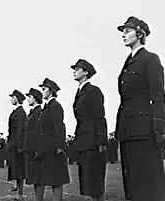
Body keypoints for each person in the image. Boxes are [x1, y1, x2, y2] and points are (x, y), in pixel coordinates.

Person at [115, 16, 165, 201]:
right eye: (123, 32)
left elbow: (158, 96)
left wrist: (159, 128)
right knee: (132, 181)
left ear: (140, 34)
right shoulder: (129, 62)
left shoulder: (150, 59)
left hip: (144, 129)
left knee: (148, 182)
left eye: (127, 31)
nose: (124, 35)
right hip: (128, 129)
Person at [70, 59, 107, 201]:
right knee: (88, 181)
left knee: (95, 181)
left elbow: (100, 117)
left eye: (77, 69)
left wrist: (101, 141)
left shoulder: (93, 91)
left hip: (93, 141)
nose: (74, 71)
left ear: (86, 72)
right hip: (83, 140)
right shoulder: (80, 91)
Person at [35, 78, 70, 201]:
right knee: (50, 177)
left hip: (54, 148)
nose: (42, 92)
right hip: (46, 147)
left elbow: (59, 126)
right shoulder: (47, 107)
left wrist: (60, 146)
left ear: (51, 91)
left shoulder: (55, 106)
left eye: (44, 89)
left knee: (56, 179)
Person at [23, 88, 43, 200]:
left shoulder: (38, 112)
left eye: (30, 97)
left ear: (36, 98)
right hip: (30, 148)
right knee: (34, 176)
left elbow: (38, 132)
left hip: (35, 148)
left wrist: (37, 149)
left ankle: (39, 198)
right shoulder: (32, 112)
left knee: (38, 176)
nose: (28, 99)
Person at [7, 89, 27, 200]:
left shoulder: (20, 113)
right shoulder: (16, 112)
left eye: (13, 97)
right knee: (16, 169)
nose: (11, 99)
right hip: (13, 144)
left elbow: (21, 130)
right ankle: (19, 194)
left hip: (17, 145)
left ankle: (20, 195)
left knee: (19, 170)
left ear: (17, 99)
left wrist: (20, 146)